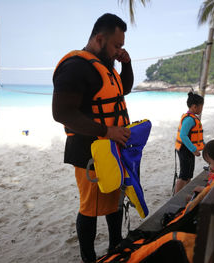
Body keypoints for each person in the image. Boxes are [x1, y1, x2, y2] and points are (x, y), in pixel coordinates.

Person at [52, 13, 133, 263]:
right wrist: (106, 131)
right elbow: (61, 113)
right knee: (90, 208)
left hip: (113, 146)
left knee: (115, 200)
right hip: (89, 151)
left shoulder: (105, 65)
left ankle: (115, 245)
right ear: (99, 39)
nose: (119, 49)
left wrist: (126, 63)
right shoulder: (75, 67)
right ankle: (88, 257)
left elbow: (122, 90)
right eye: (116, 45)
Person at [174, 92, 205, 195]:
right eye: (201, 107)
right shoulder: (189, 119)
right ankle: (176, 196)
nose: (201, 109)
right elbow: (183, 136)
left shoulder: (192, 118)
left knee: (188, 174)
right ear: (194, 107)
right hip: (184, 149)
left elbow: (196, 137)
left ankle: (187, 193)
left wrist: (204, 146)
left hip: (188, 149)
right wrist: (193, 149)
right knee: (183, 175)